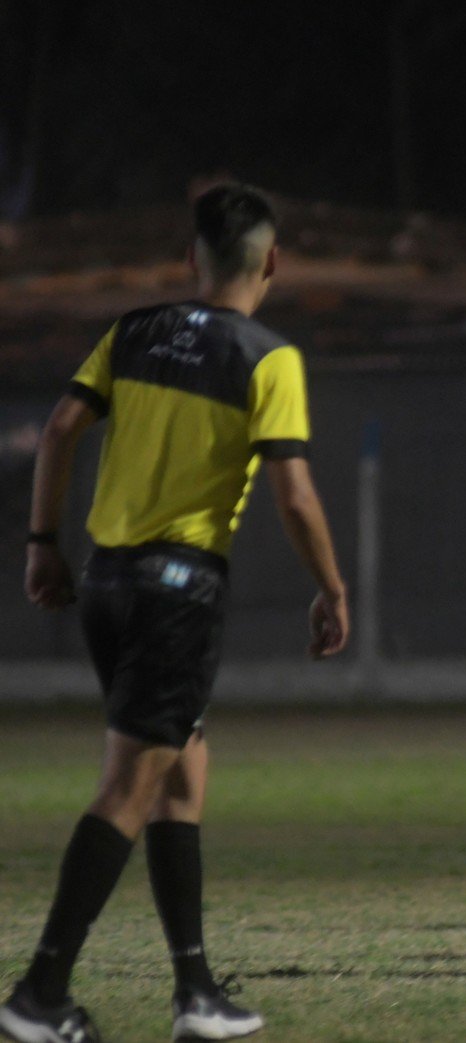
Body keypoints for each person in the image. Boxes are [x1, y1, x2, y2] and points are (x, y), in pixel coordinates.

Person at [3, 184, 350, 1043]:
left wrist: (41, 541)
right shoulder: (270, 359)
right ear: (271, 261)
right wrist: (333, 589)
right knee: (130, 786)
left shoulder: (133, 331)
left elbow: (58, 430)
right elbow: (294, 493)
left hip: (106, 581)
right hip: (176, 591)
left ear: (191, 258)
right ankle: (39, 993)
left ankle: (196, 993)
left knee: (181, 776)